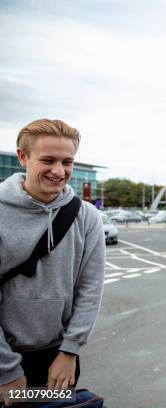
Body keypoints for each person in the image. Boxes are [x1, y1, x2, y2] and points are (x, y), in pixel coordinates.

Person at [0, 119, 105, 401]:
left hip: (59, 357)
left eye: (67, 162)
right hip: (3, 357)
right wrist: (7, 371)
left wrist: (70, 351)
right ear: (23, 157)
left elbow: (90, 289)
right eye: (48, 160)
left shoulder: (87, 216)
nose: (59, 171)